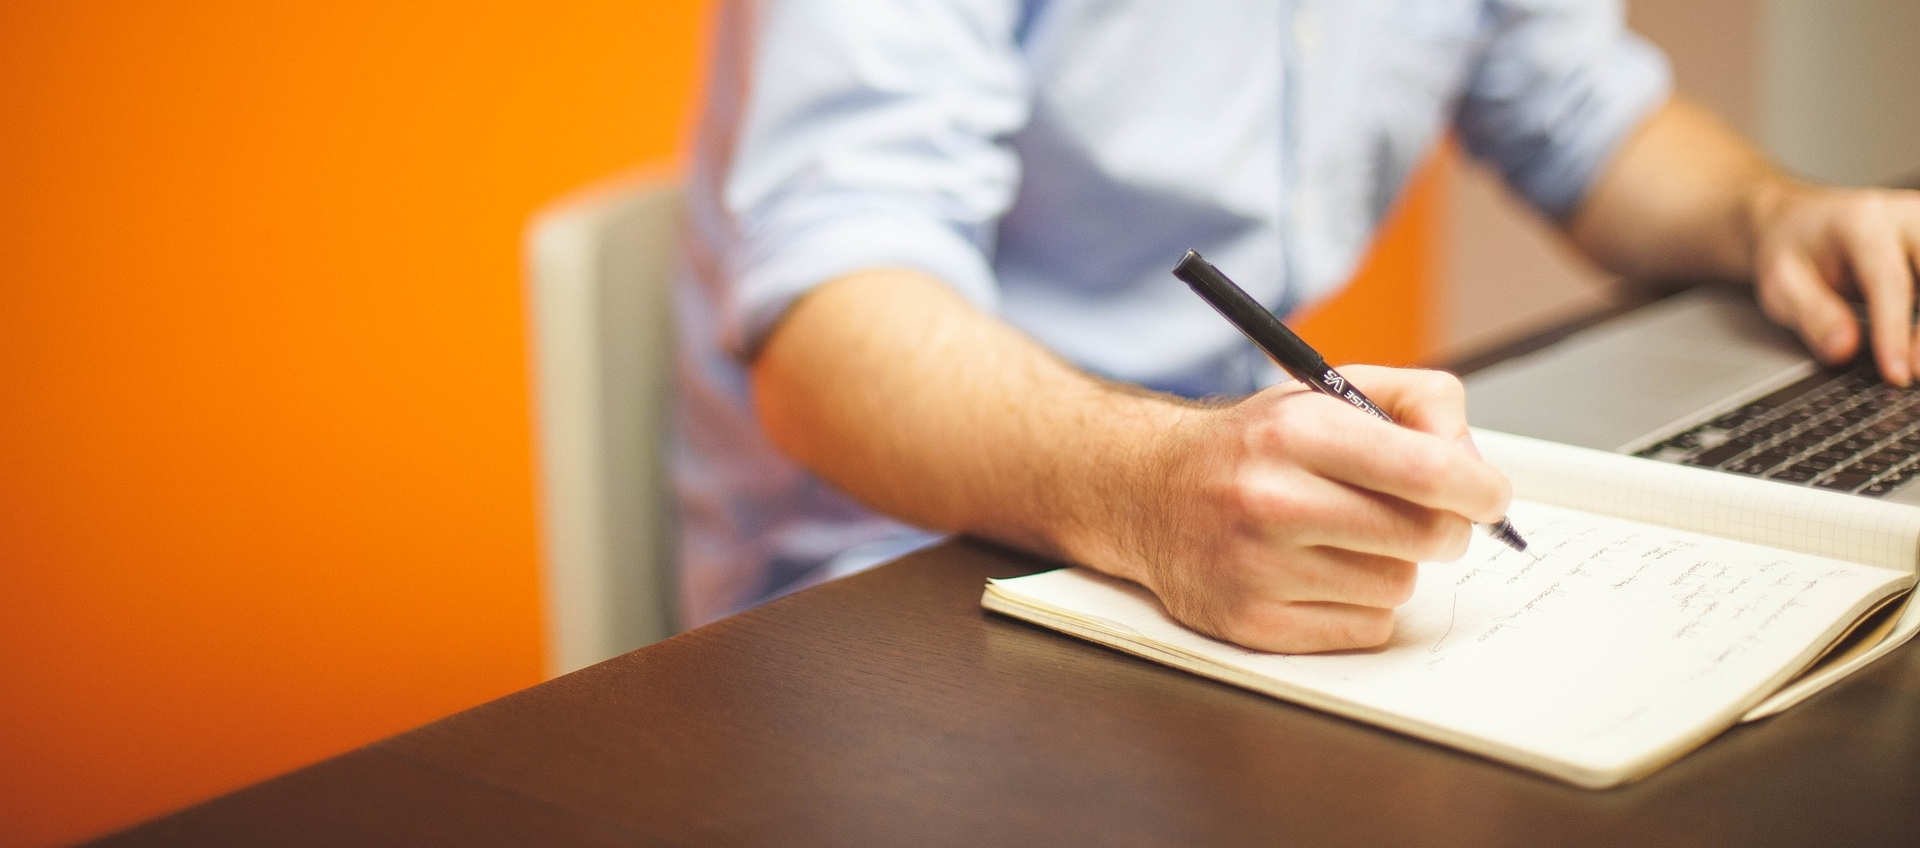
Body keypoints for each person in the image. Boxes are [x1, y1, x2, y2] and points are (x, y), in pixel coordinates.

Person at [671, 0, 1920, 651]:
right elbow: (830, 326)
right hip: (900, 572)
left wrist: (1771, 214)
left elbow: (1582, 113)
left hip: (1223, 510)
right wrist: (1155, 486)